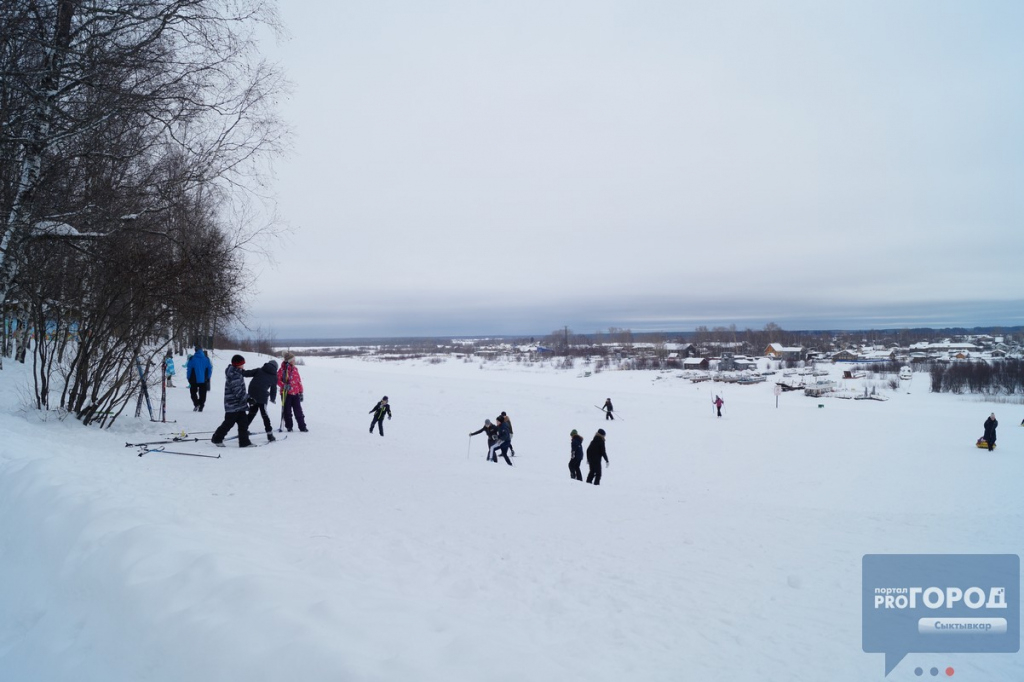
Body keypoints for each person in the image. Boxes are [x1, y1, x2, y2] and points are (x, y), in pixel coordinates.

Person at [211, 354, 257, 448]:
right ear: (237, 364)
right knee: (228, 423)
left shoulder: (237, 372)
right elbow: (238, 391)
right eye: (242, 364)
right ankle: (217, 438)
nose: (243, 366)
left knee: (243, 423)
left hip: (239, 405)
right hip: (233, 405)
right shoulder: (234, 375)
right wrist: (248, 398)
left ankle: (244, 442)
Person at [245, 359, 278, 442]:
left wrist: (238, 371)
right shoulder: (274, 377)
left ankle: (243, 429)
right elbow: (273, 390)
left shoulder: (259, 370)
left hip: (252, 393)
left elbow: (247, 373)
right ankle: (269, 434)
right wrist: (272, 399)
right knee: (264, 415)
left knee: (252, 412)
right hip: (262, 396)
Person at [277, 352, 308, 432]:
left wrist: (301, 392)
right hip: (286, 393)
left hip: (295, 393)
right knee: (287, 411)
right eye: (293, 360)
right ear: (289, 361)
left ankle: (302, 427)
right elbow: (276, 380)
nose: (294, 361)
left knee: (298, 411)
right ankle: (289, 427)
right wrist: (284, 385)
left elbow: (299, 381)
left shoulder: (295, 369)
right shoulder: (282, 370)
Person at [186, 345, 213, 411]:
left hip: (193, 379)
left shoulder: (192, 359)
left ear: (195, 350)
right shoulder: (206, 359)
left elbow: (189, 369)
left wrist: (188, 377)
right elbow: (210, 369)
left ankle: (196, 403)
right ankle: (201, 405)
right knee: (203, 393)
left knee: (193, 393)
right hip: (204, 379)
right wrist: (208, 377)